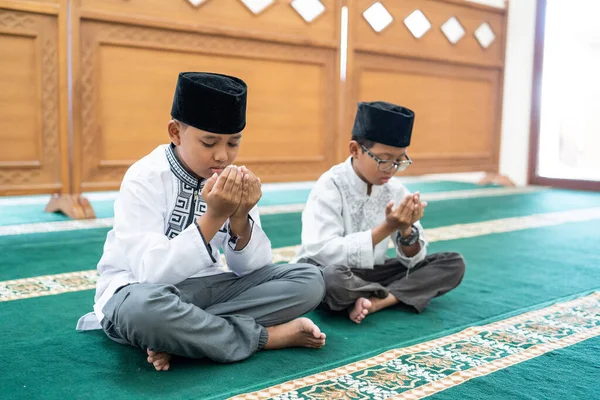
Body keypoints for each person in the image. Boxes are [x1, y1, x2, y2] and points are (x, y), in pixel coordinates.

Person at [76, 72, 326, 371]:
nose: (222, 156)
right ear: (175, 132)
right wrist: (214, 216)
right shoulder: (144, 177)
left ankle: (185, 338)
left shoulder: (233, 178)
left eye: (233, 143)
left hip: (210, 289)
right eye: (209, 142)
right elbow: (151, 274)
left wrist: (239, 218)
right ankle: (264, 337)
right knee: (141, 312)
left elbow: (253, 269)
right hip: (139, 291)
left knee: (310, 280)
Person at [295, 101, 465, 324]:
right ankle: (387, 293)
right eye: (384, 160)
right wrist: (388, 227)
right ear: (355, 150)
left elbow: (414, 260)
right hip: (329, 272)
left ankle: (377, 300)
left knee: (452, 263)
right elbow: (322, 251)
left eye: (399, 160)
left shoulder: (395, 189)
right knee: (330, 280)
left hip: (373, 271)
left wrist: (406, 230)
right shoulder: (330, 185)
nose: (392, 169)